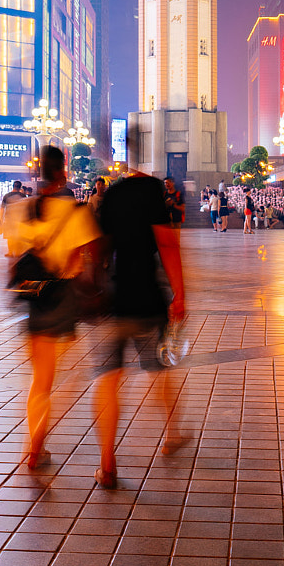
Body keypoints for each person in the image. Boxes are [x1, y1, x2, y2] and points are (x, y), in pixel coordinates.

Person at [93, 162, 187, 490]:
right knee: (159, 369)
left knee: (108, 379)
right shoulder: (152, 192)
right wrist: (180, 294)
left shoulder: (113, 192)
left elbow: (99, 245)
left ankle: (107, 462)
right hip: (148, 297)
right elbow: (167, 245)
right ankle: (172, 434)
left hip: (115, 298)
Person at [10, 146, 101, 473]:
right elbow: (79, 263)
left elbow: (15, 252)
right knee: (72, 377)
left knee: (40, 381)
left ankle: (35, 447)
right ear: (64, 174)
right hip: (62, 299)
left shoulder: (24, 209)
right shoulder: (75, 211)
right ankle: (37, 442)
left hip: (33, 300)